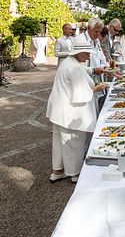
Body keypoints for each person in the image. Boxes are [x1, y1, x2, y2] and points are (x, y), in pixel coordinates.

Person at [45, 41, 109, 183]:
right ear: (79, 53)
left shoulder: (68, 62)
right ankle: (74, 173)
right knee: (73, 142)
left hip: (58, 109)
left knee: (59, 142)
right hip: (70, 111)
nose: (87, 57)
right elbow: (81, 94)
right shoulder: (75, 67)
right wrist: (98, 88)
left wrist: (93, 71)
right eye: (86, 54)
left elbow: (81, 72)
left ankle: (57, 171)